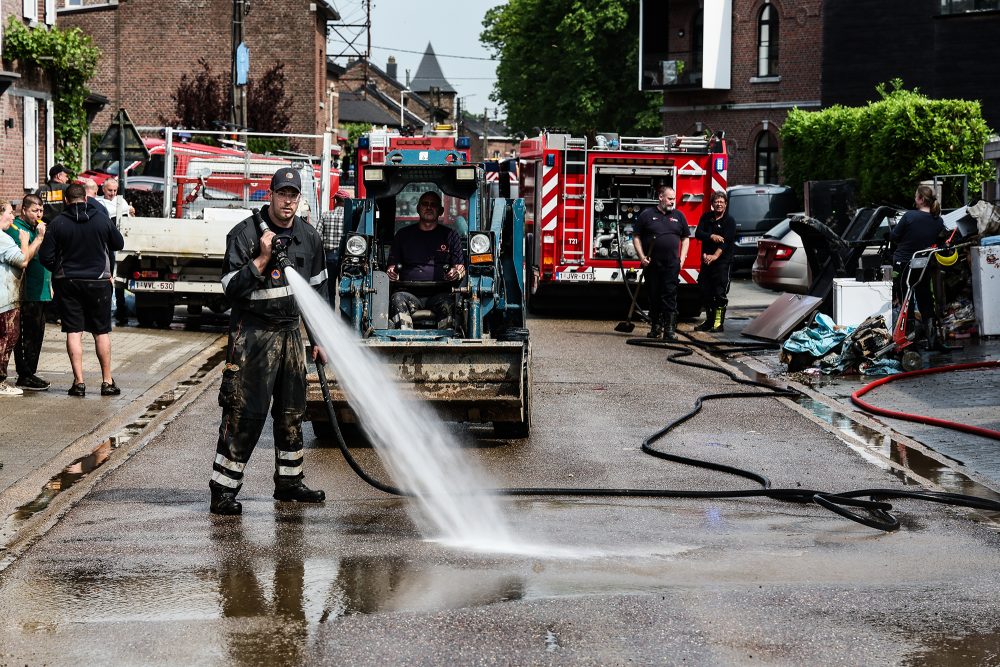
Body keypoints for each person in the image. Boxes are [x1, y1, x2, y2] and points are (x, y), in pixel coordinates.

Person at [209, 168, 328, 516]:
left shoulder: (309, 237)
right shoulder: (245, 234)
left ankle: (289, 483)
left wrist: (318, 338)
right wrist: (261, 258)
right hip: (253, 336)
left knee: (292, 412)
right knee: (245, 411)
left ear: (299, 198)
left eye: (293, 195)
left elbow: (318, 292)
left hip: (291, 334)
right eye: (282, 194)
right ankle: (223, 490)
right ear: (270, 194)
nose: (287, 201)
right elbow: (230, 289)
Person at [38, 183, 125, 397]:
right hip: (99, 282)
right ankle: (107, 381)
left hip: (68, 282)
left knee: (74, 331)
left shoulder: (57, 223)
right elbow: (118, 243)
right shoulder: (101, 219)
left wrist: (59, 268)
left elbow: (45, 257)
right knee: (101, 332)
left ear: (66, 201)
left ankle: (79, 383)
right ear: (86, 199)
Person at [386, 191, 466, 330]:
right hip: (408, 292)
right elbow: (392, 266)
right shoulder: (402, 235)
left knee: (449, 305)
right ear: (418, 208)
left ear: (440, 211)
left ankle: (445, 345)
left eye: (433, 205)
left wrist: (456, 273)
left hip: (441, 293)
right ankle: (404, 340)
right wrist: (392, 272)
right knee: (397, 299)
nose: (429, 207)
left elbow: (460, 268)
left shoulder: (450, 236)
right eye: (425, 204)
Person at [7, 195, 52, 390]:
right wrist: (40, 238)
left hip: (40, 290)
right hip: (27, 291)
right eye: (35, 211)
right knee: (27, 334)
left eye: (41, 211)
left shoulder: (35, 228)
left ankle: (30, 372)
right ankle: (24, 374)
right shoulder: (18, 230)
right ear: (24, 210)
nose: (39, 215)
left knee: (37, 333)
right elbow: (23, 257)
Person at [632, 185, 689, 341]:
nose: (672, 202)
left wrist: (682, 258)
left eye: (674, 199)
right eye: (670, 199)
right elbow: (636, 236)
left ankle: (669, 330)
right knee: (654, 295)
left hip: (671, 264)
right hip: (652, 264)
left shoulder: (679, 216)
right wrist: (641, 257)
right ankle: (655, 327)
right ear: (660, 197)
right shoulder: (647, 215)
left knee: (669, 295)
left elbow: (685, 238)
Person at [889, 184, 946, 330]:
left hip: (903, 263)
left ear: (920, 199)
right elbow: (939, 241)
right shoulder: (938, 221)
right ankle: (932, 339)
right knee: (926, 301)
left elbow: (894, 236)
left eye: (916, 196)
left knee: (906, 301)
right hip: (923, 264)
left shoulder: (910, 216)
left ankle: (908, 341)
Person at [693, 191, 737, 333]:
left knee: (719, 293)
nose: (719, 204)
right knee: (705, 291)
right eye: (716, 201)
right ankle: (709, 321)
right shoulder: (706, 217)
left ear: (725, 204)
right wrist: (711, 236)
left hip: (722, 262)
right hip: (707, 261)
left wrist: (715, 256)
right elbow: (698, 233)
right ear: (712, 204)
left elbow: (726, 242)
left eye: (721, 201)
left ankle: (718, 324)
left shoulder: (729, 221)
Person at [314, 188, 351, 309]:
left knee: (330, 288)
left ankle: (330, 315)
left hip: (329, 256)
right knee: (345, 287)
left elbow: (317, 237)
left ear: (335, 201)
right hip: (346, 258)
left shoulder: (325, 215)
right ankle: (345, 317)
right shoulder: (350, 217)